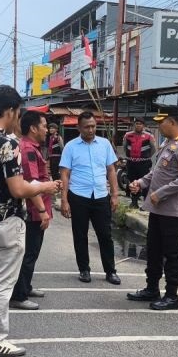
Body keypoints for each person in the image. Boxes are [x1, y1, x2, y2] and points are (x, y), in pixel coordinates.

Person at [0, 85, 60, 357]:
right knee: (1, 282)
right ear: (9, 111)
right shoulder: (7, 144)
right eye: (18, 111)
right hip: (5, 220)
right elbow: (18, 189)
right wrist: (43, 187)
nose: (19, 117)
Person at [127, 108, 178, 311]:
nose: (159, 125)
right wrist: (140, 183)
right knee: (154, 250)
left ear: (173, 122)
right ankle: (152, 288)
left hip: (173, 212)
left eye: (162, 121)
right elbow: (155, 172)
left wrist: (161, 193)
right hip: (158, 210)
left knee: (172, 254)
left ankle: (171, 296)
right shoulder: (168, 144)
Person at [59, 111, 121, 286]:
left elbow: (111, 170)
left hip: (101, 195)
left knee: (105, 235)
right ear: (79, 127)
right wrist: (64, 200)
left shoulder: (105, 144)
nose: (91, 130)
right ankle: (84, 270)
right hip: (79, 196)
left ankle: (110, 271)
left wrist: (115, 194)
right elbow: (65, 174)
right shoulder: (71, 147)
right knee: (80, 234)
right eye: (87, 127)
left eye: (93, 126)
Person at [9, 111, 53, 311]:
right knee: (28, 253)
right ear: (33, 128)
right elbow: (31, 183)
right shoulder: (27, 149)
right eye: (44, 126)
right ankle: (19, 295)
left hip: (37, 208)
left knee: (32, 252)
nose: (47, 130)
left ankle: (26, 287)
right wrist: (42, 210)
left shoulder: (32, 148)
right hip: (34, 211)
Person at [123, 118, 157, 208]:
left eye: (140, 124)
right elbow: (124, 147)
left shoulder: (149, 136)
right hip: (131, 163)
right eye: (137, 123)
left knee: (145, 182)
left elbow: (153, 149)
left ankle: (146, 204)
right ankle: (134, 202)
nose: (138, 125)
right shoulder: (128, 135)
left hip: (144, 164)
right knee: (132, 182)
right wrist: (129, 157)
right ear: (134, 125)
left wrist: (146, 157)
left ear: (144, 126)